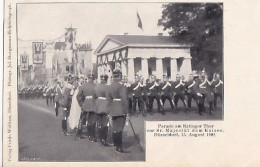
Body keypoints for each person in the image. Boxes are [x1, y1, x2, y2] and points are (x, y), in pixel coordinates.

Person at [106, 69, 129, 153]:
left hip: (113, 108)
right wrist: (126, 111)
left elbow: (108, 99)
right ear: (120, 76)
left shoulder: (110, 85)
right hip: (120, 108)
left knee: (115, 128)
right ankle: (119, 146)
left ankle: (116, 145)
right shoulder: (121, 85)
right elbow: (124, 99)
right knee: (120, 128)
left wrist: (109, 110)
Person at [76, 73, 97, 142]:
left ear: (88, 78)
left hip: (85, 104)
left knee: (82, 120)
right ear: (93, 79)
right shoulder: (96, 86)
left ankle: (78, 134)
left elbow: (78, 96)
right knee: (92, 121)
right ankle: (91, 136)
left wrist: (81, 104)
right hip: (93, 104)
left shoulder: (83, 86)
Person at [93, 74, 109, 146]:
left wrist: (95, 103)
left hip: (98, 106)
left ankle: (99, 137)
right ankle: (104, 139)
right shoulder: (108, 87)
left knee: (99, 123)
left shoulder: (96, 86)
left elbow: (94, 97)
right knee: (105, 123)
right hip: (105, 106)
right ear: (106, 79)